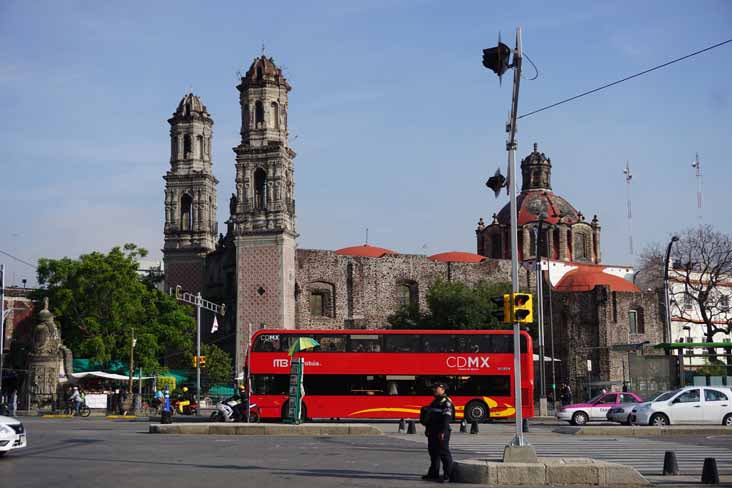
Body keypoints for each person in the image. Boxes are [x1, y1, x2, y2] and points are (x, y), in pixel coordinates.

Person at [422, 382, 454, 482]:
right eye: (434, 388)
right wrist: (427, 429)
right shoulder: (435, 401)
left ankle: (448, 475)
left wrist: (443, 432)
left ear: (443, 389)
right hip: (432, 431)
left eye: (437, 388)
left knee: (444, 453)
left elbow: (447, 418)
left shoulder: (446, 402)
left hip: (441, 431)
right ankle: (433, 474)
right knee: (433, 453)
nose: (434, 390)